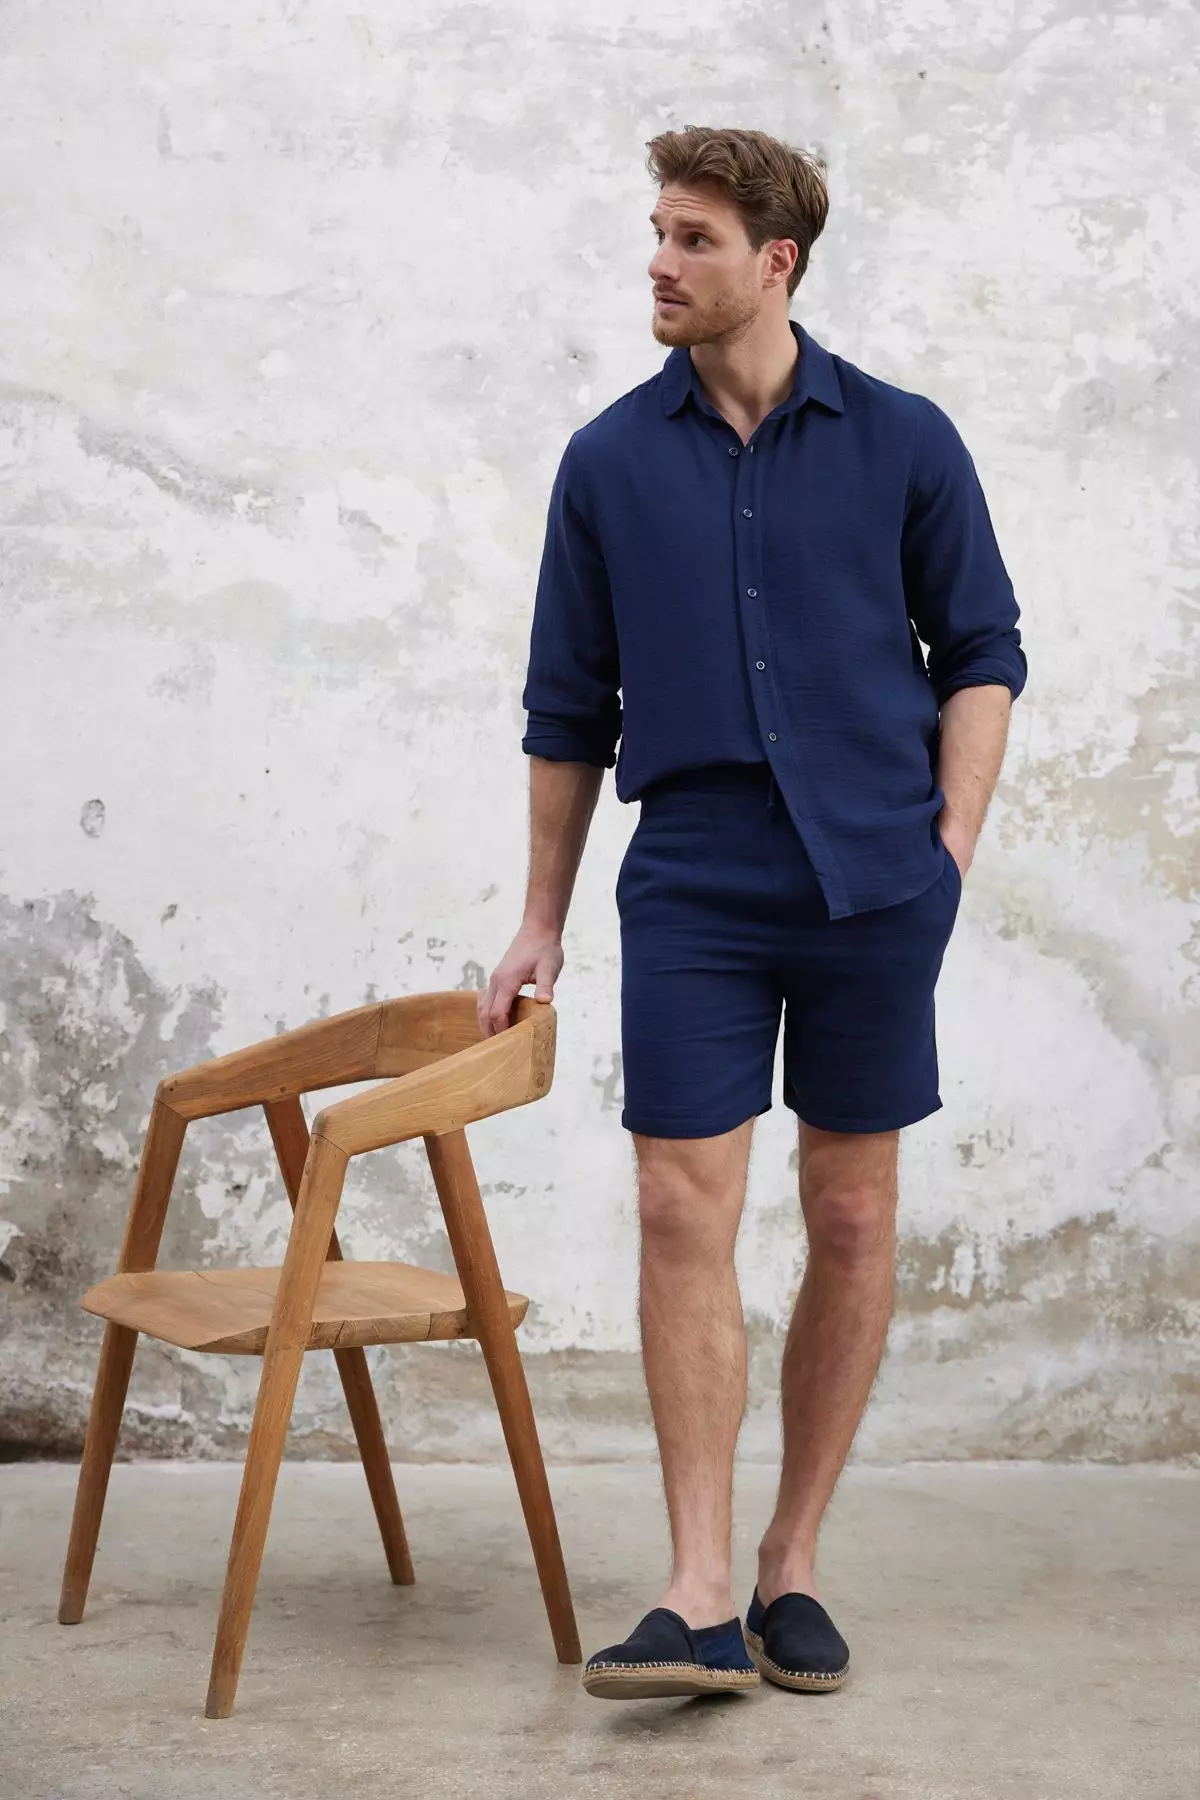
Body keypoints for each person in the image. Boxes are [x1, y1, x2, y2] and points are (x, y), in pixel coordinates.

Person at [478, 125, 1027, 1701]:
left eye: (694, 238)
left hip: (875, 879)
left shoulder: (906, 441)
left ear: (775, 264)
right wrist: (540, 917)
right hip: (697, 881)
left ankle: (792, 1561)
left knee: (850, 1214)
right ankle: (699, 1589)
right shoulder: (607, 462)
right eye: (657, 231)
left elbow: (983, 651)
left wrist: (949, 846)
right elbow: (567, 707)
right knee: (678, 1205)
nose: (659, 261)